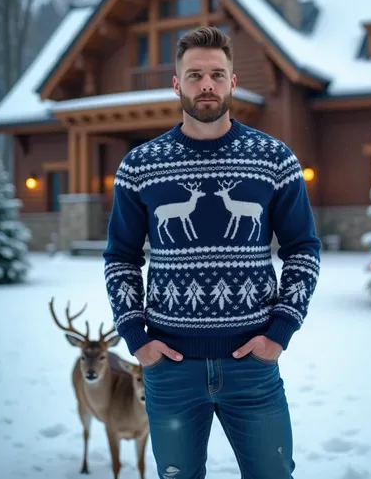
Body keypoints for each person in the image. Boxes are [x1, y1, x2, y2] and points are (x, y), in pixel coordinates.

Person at [103, 26, 321, 479]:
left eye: (217, 74)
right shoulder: (140, 165)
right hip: (170, 370)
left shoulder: (273, 159)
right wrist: (138, 339)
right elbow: (121, 257)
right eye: (195, 74)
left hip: (252, 367)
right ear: (177, 83)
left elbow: (302, 249)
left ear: (233, 83)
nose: (207, 84)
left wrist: (279, 333)